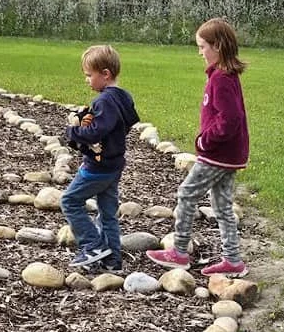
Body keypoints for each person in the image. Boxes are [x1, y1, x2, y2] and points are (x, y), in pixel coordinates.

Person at [146, 17, 249, 277]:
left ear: (218, 46)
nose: (199, 52)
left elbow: (230, 119)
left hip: (217, 154)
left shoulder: (221, 79)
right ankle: (233, 260)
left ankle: (179, 252)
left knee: (187, 193)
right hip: (229, 155)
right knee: (222, 205)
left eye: (202, 46)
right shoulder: (225, 76)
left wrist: (205, 140)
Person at [62, 45, 139, 271]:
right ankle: (112, 261)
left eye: (89, 75)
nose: (86, 80)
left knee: (69, 201)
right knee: (107, 214)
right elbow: (124, 124)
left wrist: (73, 131)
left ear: (105, 74)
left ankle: (92, 245)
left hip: (97, 167)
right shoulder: (123, 97)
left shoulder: (104, 101)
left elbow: (96, 133)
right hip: (114, 165)